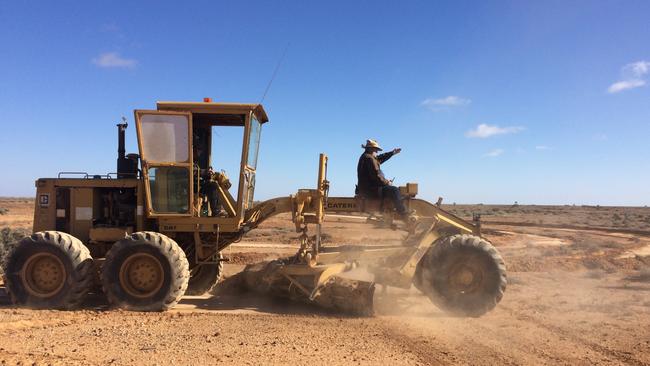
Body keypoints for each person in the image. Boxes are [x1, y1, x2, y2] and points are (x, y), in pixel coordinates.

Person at [356, 139, 408, 218]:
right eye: (376, 150)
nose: (377, 152)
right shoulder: (369, 159)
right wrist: (387, 183)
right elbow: (377, 176)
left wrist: (392, 153)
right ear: (371, 149)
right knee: (394, 190)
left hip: (366, 189)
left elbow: (379, 159)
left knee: (391, 189)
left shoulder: (367, 157)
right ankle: (405, 216)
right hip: (370, 190)